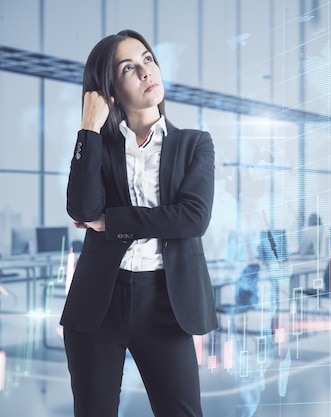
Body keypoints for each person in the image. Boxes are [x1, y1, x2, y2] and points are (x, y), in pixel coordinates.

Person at [61, 29, 217, 417]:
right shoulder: (99, 146)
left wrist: (112, 221)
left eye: (147, 59)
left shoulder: (194, 144)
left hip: (165, 302)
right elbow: (82, 210)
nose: (146, 71)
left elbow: (192, 218)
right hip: (98, 302)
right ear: (111, 91)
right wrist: (88, 129)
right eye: (129, 68)